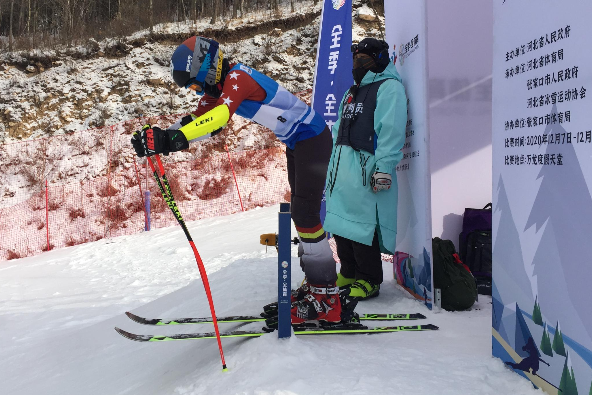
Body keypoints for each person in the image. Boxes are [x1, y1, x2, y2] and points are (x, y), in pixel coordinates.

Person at [131, 35, 340, 324]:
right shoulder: (219, 87)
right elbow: (198, 121)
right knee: (302, 213)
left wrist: (172, 138)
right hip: (297, 140)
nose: (193, 90)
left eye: (193, 83)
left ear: (203, 67)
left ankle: (327, 297)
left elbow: (218, 118)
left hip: (312, 137)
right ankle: (318, 286)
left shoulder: (238, 77)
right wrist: (162, 138)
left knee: (305, 214)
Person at [323, 37, 408, 303]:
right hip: (342, 171)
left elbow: (391, 129)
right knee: (342, 225)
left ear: (380, 60)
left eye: (365, 60)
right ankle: (348, 273)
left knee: (362, 227)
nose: (359, 65)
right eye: (356, 60)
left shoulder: (389, 88)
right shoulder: (352, 92)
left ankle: (369, 279)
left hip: (364, 170)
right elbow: (338, 129)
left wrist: (384, 168)